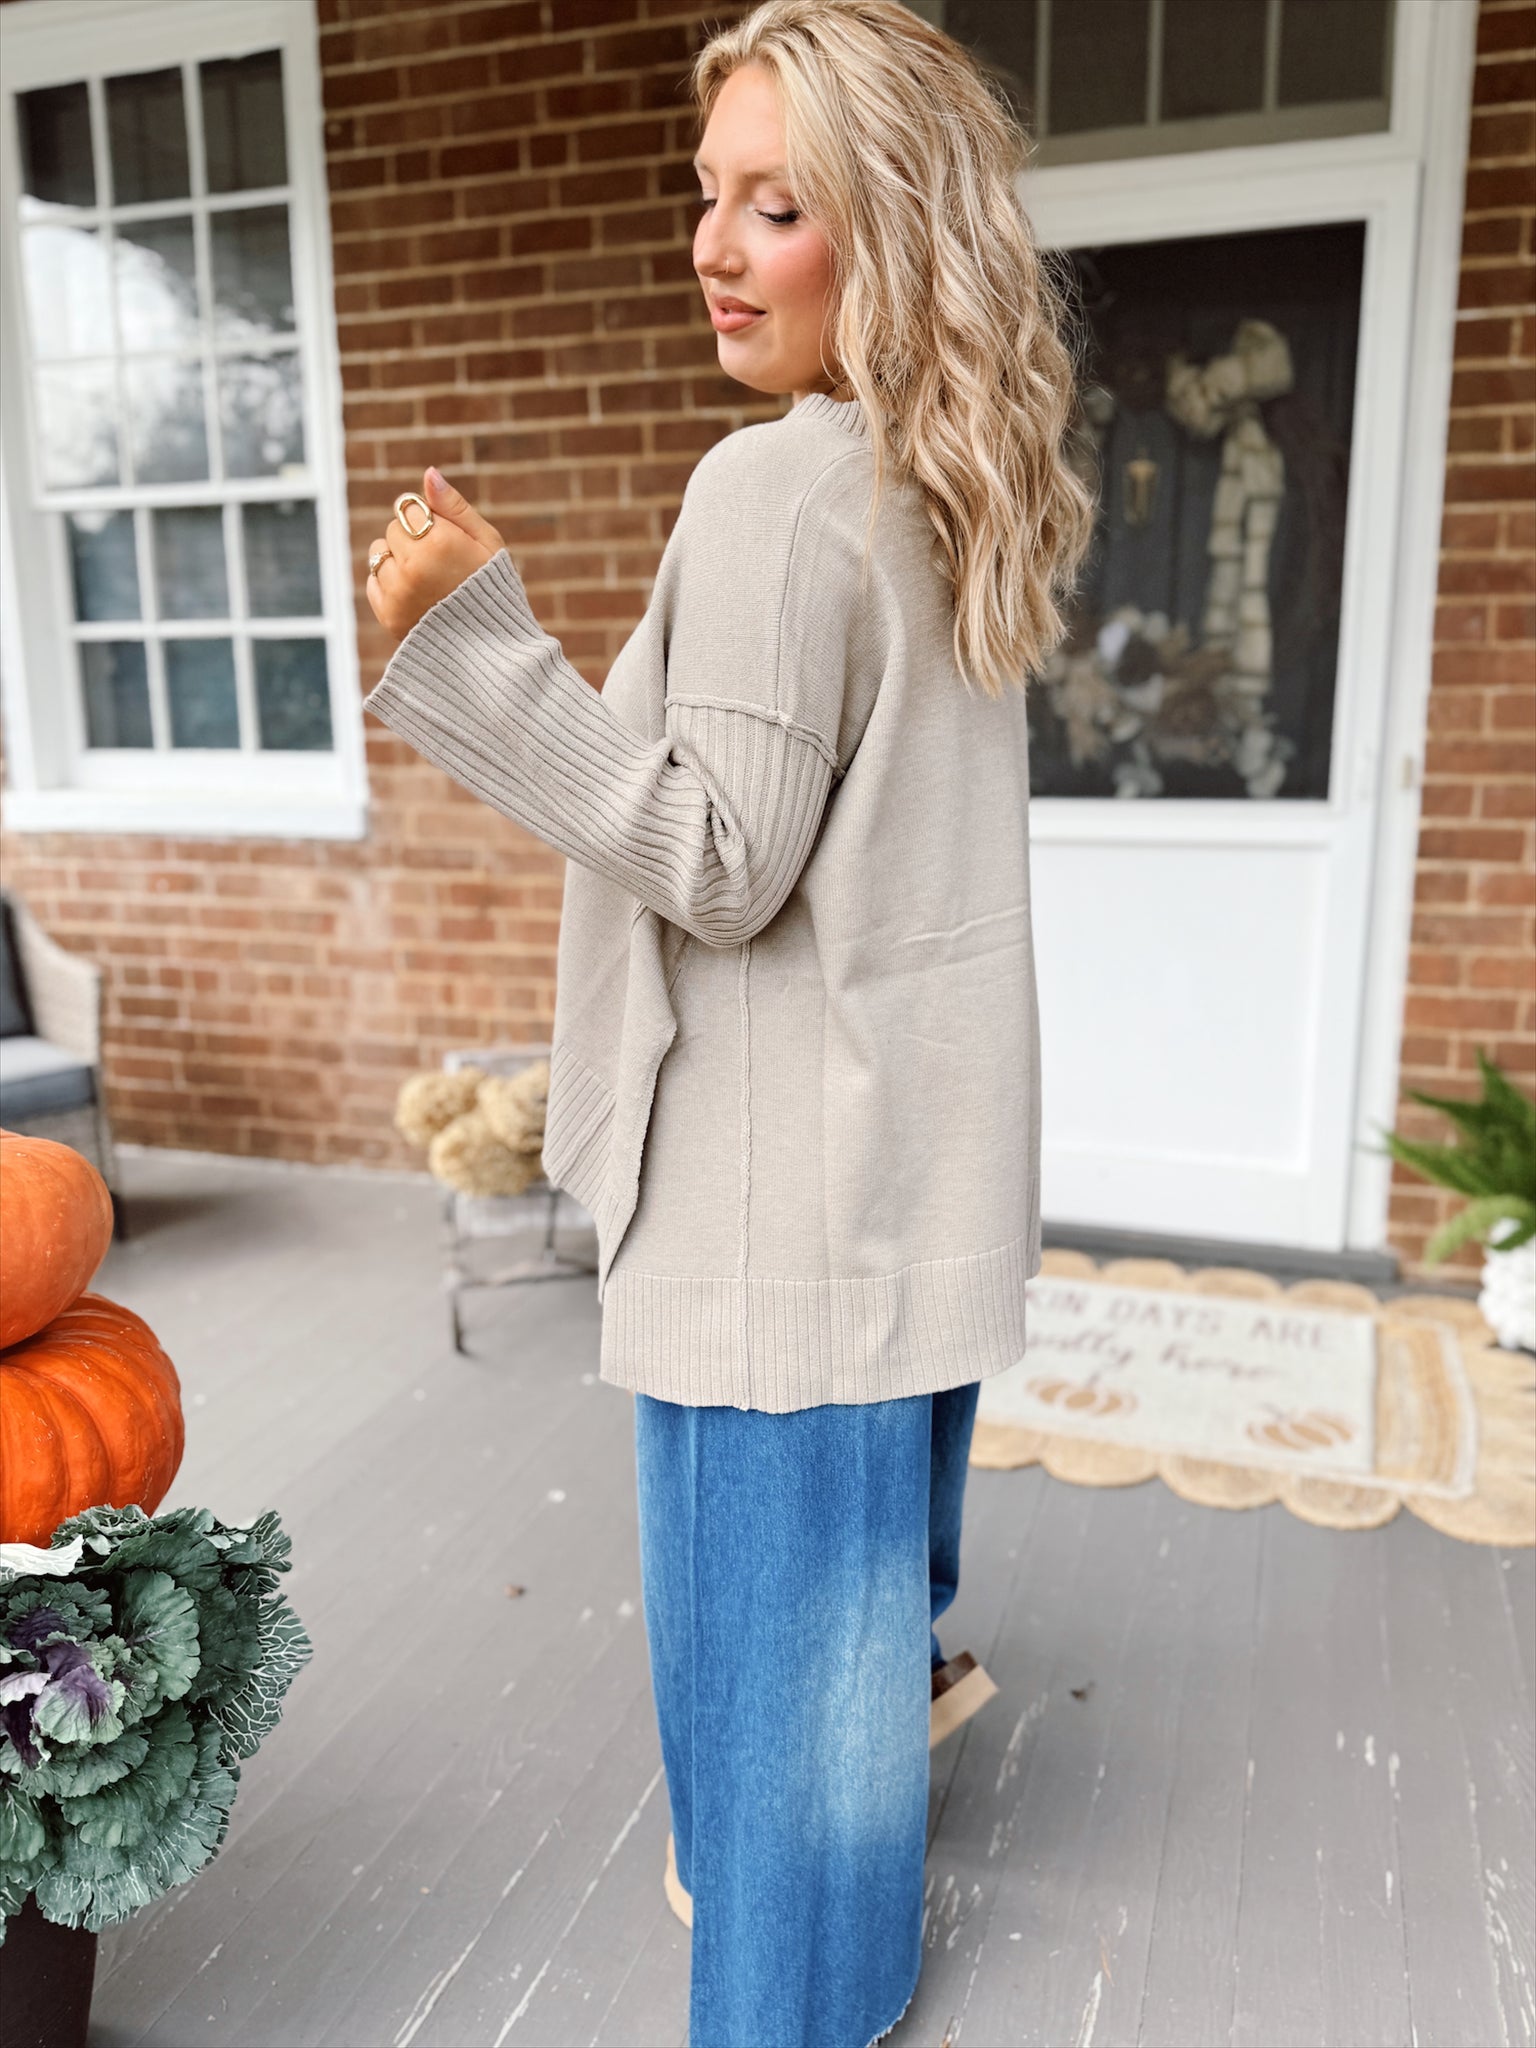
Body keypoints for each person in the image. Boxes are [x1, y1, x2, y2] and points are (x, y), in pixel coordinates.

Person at [362, 4, 1093, 2041]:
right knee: (854, 1643)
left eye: (777, 206)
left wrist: (471, 648)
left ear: (894, 232)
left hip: (774, 1216)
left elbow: (717, 855)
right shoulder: (951, 484)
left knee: (770, 1756)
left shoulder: (777, 490)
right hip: (898, 1184)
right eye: (711, 196)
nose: (711, 244)